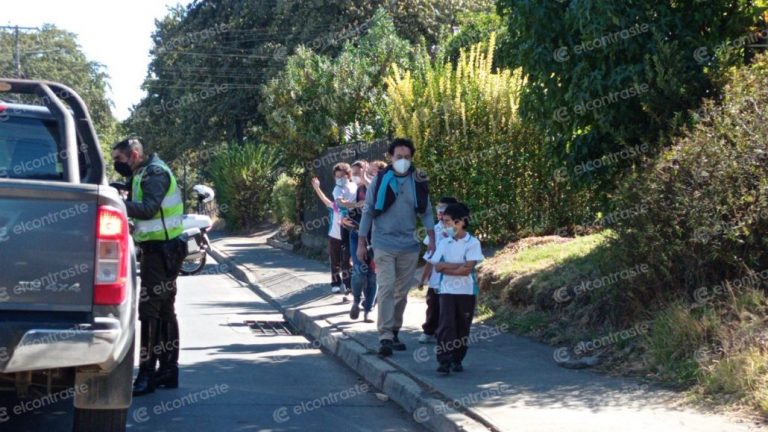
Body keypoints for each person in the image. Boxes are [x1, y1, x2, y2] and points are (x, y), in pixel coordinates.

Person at [112, 138, 185, 396]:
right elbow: (139, 196)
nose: (116, 164)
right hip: (163, 249)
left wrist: (115, 203)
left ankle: (147, 373)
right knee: (164, 309)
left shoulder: (155, 172)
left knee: (149, 311)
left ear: (134, 154)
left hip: (162, 251)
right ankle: (167, 371)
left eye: (119, 160)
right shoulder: (144, 171)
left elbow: (149, 208)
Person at [358, 138, 435, 357]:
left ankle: (394, 330)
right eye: (399, 157)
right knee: (386, 287)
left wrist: (432, 237)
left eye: (407, 157)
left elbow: (427, 211)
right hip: (383, 243)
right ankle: (384, 336)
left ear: (412, 158)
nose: (403, 161)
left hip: (409, 245)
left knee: (401, 292)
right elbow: (368, 210)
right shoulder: (380, 180)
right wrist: (362, 243)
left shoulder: (418, 180)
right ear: (390, 157)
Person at [427, 202, 484, 375]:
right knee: (445, 325)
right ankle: (444, 359)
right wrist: (457, 267)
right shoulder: (444, 242)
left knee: (462, 325)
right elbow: (437, 266)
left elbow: (467, 269)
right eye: (443, 221)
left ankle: (457, 359)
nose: (444, 225)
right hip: (446, 291)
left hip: (466, 291)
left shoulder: (472, 242)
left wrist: (448, 266)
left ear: (460, 222)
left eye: (448, 221)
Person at [311, 162, 356, 296]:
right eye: (337, 176)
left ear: (348, 175)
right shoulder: (336, 199)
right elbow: (326, 201)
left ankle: (349, 285)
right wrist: (317, 188)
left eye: (342, 176)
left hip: (348, 232)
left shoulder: (354, 189)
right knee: (335, 260)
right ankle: (336, 283)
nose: (340, 178)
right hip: (335, 234)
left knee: (347, 260)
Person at [417, 196, 458, 344]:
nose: (440, 211)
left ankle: (449, 334)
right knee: (433, 305)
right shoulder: (435, 230)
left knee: (450, 308)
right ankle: (429, 331)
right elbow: (429, 258)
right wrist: (422, 279)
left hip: (454, 278)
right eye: (438, 208)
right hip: (436, 279)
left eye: (443, 208)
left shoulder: (459, 230)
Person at [341, 160, 377, 322]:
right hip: (357, 234)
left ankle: (368, 309)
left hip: (376, 237)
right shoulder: (356, 190)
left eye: (360, 173)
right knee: (359, 271)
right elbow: (343, 207)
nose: (357, 177)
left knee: (372, 275)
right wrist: (344, 218)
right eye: (354, 174)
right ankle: (356, 300)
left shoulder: (376, 187)